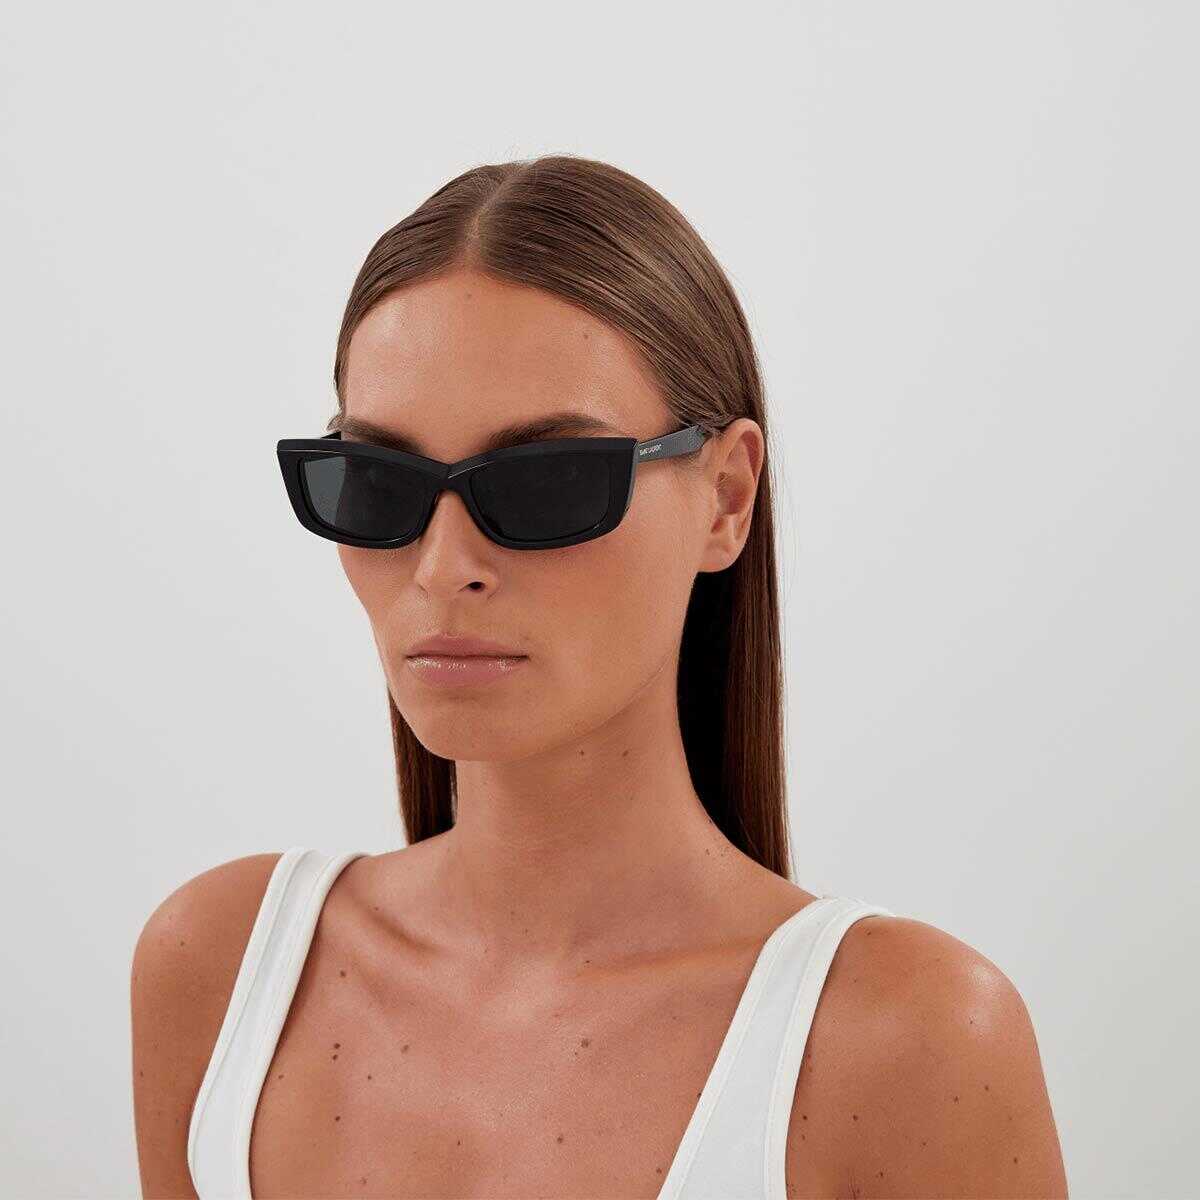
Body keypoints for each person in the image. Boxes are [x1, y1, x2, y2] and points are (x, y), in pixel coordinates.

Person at [131, 153, 1067, 1198]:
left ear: (726, 498)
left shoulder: (910, 1042)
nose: (443, 567)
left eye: (547, 482)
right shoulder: (221, 971)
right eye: (379, 481)